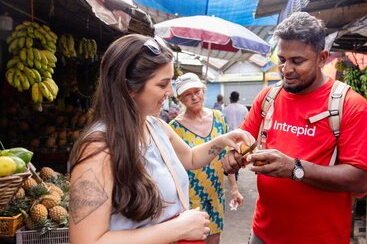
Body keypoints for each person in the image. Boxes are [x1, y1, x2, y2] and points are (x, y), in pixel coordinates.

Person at [68, 34, 254, 244]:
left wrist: (222, 140)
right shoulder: (98, 150)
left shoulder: (156, 126)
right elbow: (85, 241)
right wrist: (177, 229)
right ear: (128, 88)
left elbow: (191, 158)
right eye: (162, 84)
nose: (171, 92)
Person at [222, 12, 367, 244]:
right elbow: (243, 141)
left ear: (322, 58)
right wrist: (233, 156)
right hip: (263, 234)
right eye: (282, 59)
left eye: (297, 61)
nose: (286, 69)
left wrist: (295, 169)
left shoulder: (350, 104)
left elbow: (361, 179)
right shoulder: (269, 97)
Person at [169, 73, 243, 244]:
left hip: (215, 193)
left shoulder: (218, 117)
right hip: (190, 197)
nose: (194, 97)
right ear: (180, 98)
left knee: (215, 239)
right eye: (188, 94)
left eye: (197, 91)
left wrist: (234, 188)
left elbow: (226, 155)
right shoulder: (174, 128)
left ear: (204, 91)